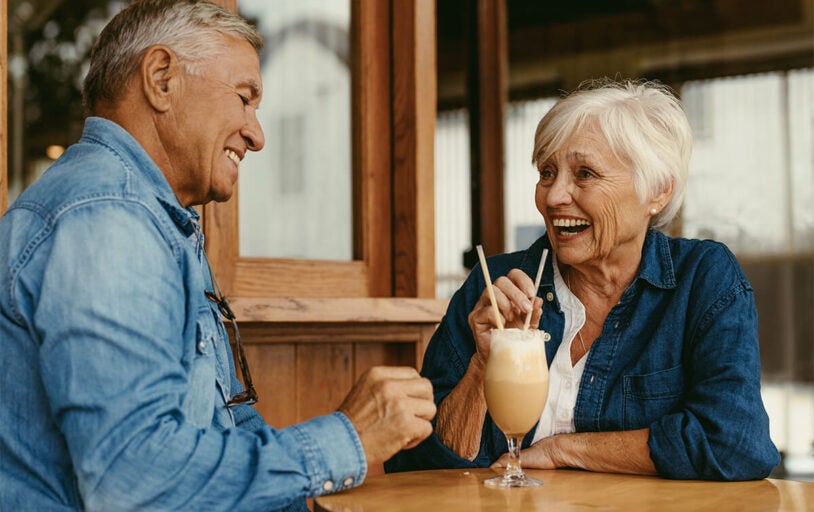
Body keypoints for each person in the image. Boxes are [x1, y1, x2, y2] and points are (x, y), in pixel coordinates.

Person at [0, 1, 435, 510]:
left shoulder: (155, 219)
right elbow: (135, 481)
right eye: (244, 98)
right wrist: (347, 440)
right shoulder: (109, 219)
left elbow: (221, 430)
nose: (257, 134)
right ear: (161, 79)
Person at [385, 78, 780, 481]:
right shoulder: (496, 286)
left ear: (658, 191)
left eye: (585, 174)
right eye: (547, 173)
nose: (554, 197)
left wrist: (564, 450)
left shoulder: (702, 280)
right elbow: (417, 466)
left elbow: (735, 443)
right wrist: (481, 365)